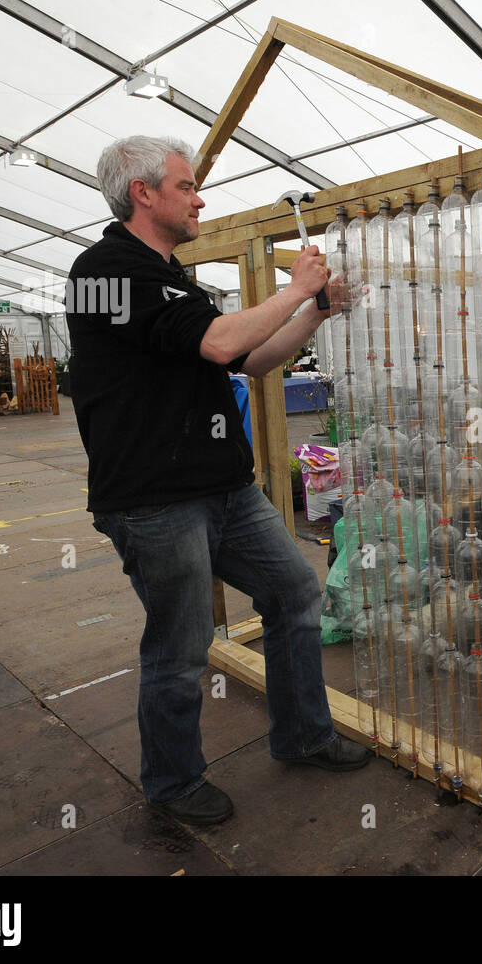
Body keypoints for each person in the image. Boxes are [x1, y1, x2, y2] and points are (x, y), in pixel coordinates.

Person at [67, 134, 365, 827]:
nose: (200, 197)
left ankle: (303, 735)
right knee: (180, 645)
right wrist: (296, 285)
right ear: (143, 193)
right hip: (154, 500)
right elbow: (221, 342)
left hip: (223, 488)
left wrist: (315, 310)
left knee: (294, 593)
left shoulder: (175, 276)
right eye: (186, 185)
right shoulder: (105, 271)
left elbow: (252, 359)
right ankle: (171, 781)